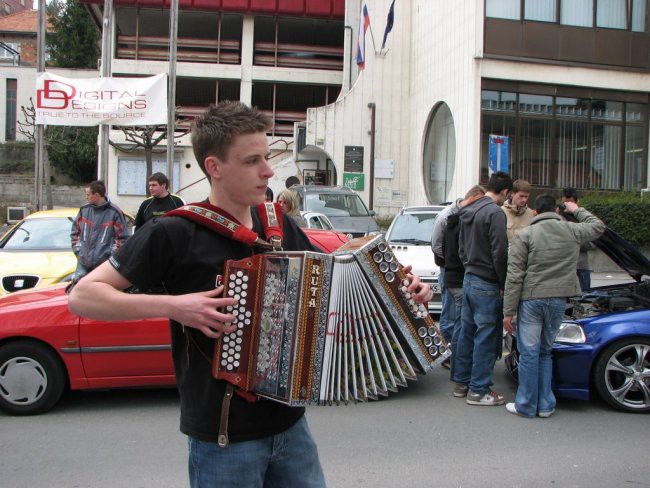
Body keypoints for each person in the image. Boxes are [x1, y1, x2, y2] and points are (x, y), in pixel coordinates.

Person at [69, 101, 434, 487]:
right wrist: (176, 306)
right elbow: (83, 295)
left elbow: (338, 281)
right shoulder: (173, 233)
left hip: (291, 427)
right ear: (214, 167)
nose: (269, 171)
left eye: (267, 157)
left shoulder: (278, 224)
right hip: (224, 440)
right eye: (252, 161)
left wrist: (399, 292)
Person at [503, 194, 605, 418]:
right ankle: (546, 405)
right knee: (545, 352)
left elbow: (515, 275)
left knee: (529, 353)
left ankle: (526, 405)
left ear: (536, 213)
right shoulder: (571, 230)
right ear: (556, 212)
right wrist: (576, 208)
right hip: (559, 298)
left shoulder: (525, 234)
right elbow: (598, 226)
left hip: (531, 298)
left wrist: (508, 311)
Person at [451, 171, 513, 406]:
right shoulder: (494, 213)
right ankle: (479, 390)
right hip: (487, 281)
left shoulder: (467, 210)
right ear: (506, 192)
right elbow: (500, 252)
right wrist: (503, 282)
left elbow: (460, 248)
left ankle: (462, 383)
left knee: (467, 332)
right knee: (486, 336)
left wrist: (468, 266)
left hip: (469, 277)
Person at [440, 185, 486, 378]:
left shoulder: (453, 221)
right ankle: (457, 368)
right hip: (459, 278)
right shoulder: (463, 223)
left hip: (452, 276)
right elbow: (458, 253)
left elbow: (441, 248)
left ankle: (456, 368)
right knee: (462, 325)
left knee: (459, 323)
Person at [70, 180, 129, 282]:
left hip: (104, 266)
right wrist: (78, 252)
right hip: (83, 263)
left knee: (100, 293)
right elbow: (75, 233)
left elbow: (122, 238)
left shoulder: (115, 213)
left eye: (88, 194)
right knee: (77, 289)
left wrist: (110, 258)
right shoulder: (84, 210)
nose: (86, 197)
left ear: (97, 195)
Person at [561, 187, 595, 291]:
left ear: (577, 203)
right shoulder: (557, 217)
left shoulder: (584, 217)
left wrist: (572, 241)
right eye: (564, 203)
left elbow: (592, 243)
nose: (567, 206)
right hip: (563, 267)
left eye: (570, 203)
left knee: (585, 297)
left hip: (581, 266)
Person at [502, 179, 535, 244]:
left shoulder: (531, 214)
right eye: (521, 196)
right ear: (512, 194)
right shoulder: (501, 212)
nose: (524, 200)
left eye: (526, 196)